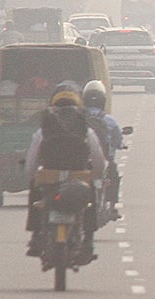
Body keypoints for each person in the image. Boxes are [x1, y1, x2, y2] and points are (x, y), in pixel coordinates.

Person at [25, 82, 106, 262]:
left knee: (35, 193)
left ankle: (36, 236)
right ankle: (88, 243)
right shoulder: (86, 130)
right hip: (79, 176)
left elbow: (32, 160)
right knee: (90, 203)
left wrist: (32, 174)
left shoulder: (43, 131)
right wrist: (97, 175)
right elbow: (98, 160)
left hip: (49, 176)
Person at [83, 80, 124, 221]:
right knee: (114, 176)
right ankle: (112, 208)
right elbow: (118, 140)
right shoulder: (109, 120)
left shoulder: (78, 118)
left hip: (81, 161)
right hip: (105, 162)